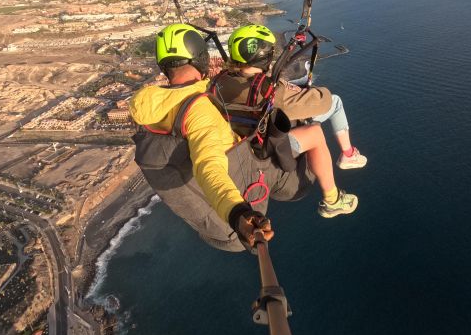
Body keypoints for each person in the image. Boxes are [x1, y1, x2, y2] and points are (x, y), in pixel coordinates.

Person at [129, 24, 358, 252]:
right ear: (200, 59)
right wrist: (238, 213)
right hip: (249, 181)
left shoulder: (147, 108)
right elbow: (208, 167)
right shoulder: (200, 112)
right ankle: (333, 200)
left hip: (211, 211)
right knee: (314, 131)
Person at [212, 24, 367, 173]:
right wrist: (309, 91)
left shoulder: (219, 82)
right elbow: (322, 102)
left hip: (244, 137)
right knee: (336, 102)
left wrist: (285, 86)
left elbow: (252, 83)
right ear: (263, 55)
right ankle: (348, 154)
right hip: (271, 145)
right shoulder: (271, 92)